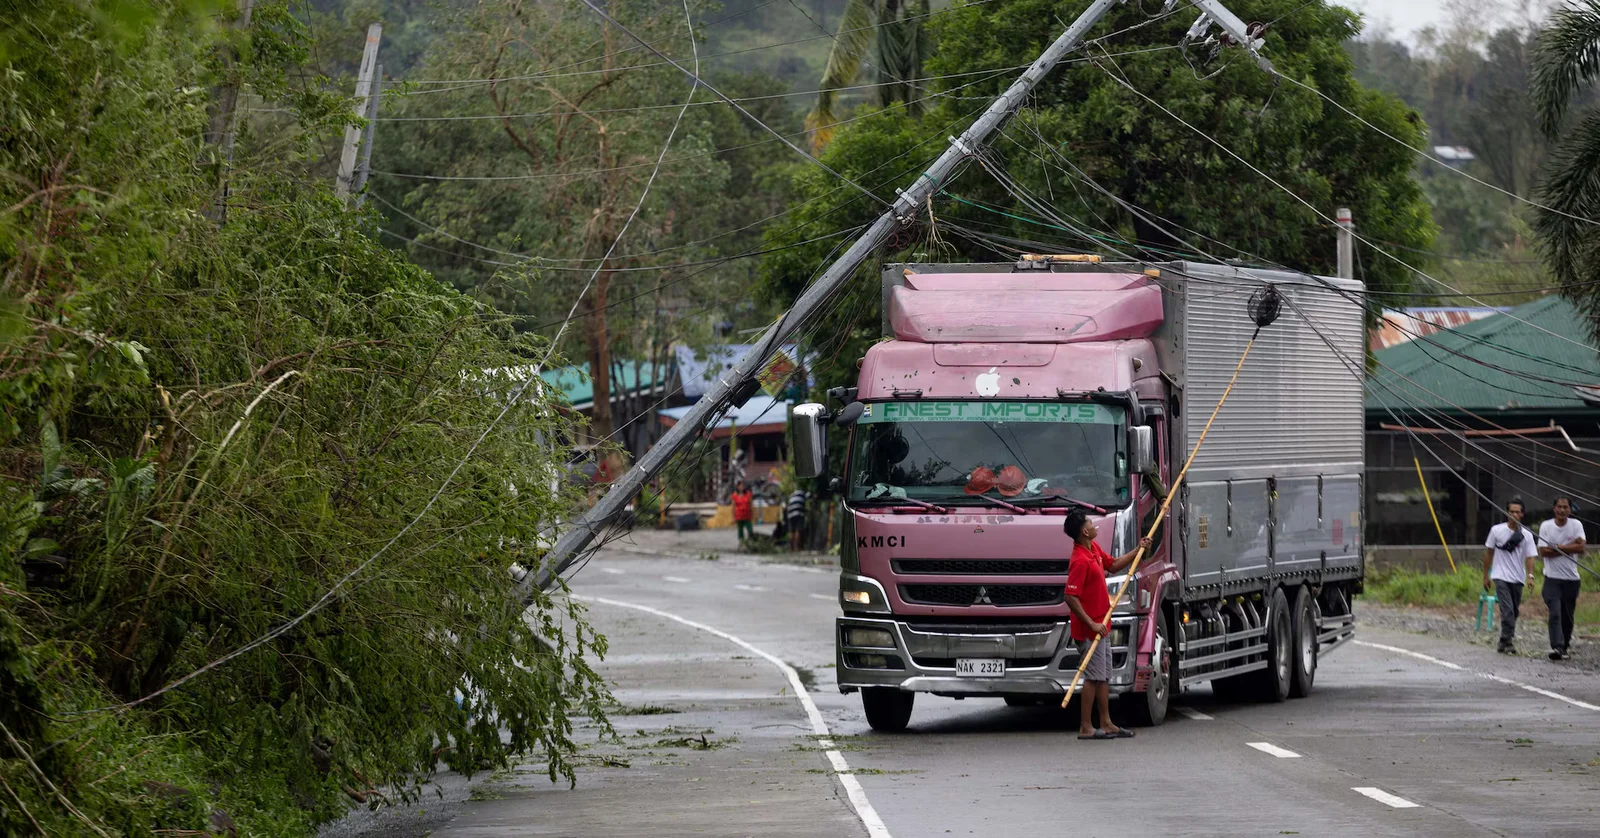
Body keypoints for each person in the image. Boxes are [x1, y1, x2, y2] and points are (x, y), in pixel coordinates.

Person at [1063, 509, 1151, 740]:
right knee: (1092, 676)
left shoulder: (1092, 550)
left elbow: (1112, 565)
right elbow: (1070, 597)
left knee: (1103, 675)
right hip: (1089, 630)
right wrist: (1091, 624)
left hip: (1102, 626)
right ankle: (1085, 726)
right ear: (1084, 531)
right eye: (1090, 523)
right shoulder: (1080, 560)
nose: (1094, 525)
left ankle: (1106, 722)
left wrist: (1138, 550)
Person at [1482, 499, 1539, 655]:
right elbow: (1489, 552)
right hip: (1500, 575)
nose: (1514, 514)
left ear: (1522, 514)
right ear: (1507, 513)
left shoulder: (1526, 535)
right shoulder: (1496, 531)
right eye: (1511, 511)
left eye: (1517, 512)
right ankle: (1508, 641)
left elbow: (1530, 557)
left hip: (1518, 577)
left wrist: (1530, 576)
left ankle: (1503, 640)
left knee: (1514, 610)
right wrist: (1486, 576)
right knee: (1507, 611)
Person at [1538, 497, 1587, 661]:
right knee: (1555, 613)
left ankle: (1564, 646)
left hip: (1571, 579)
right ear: (1554, 509)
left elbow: (1581, 547)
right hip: (1551, 578)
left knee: (1568, 616)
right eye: (1559, 507)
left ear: (1570, 510)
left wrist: (1558, 547)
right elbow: (1543, 552)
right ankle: (1557, 647)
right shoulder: (1546, 526)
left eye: (1565, 507)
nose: (1562, 510)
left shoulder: (1576, 525)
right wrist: (1570, 546)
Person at [731, 480, 754, 547]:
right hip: (739, 516)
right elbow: (733, 507)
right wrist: (733, 517)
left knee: (750, 530)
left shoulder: (748, 494)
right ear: (737, 487)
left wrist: (753, 514)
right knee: (740, 530)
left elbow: (751, 505)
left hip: (747, 515)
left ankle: (750, 542)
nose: (741, 487)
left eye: (743, 485)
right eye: (740, 486)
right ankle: (741, 543)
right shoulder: (734, 496)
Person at [785, 487, 809, 551]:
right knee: (798, 530)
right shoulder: (803, 493)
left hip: (790, 514)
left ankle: (791, 548)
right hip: (798, 513)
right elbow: (808, 499)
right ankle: (797, 547)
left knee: (792, 531)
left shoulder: (792, 495)